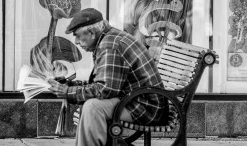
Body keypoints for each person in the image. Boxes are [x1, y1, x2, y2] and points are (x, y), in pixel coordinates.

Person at [48, 8, 166, 146]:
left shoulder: (110, 45)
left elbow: (105, 90)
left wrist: (67, 92)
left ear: (91, 33)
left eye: (78, 36)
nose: (76, 41)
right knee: (91, 106)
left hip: (146, 108)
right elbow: (105, 83)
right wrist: (70, 86)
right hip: (137, 101)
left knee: (93, 108)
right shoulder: (109, 38)